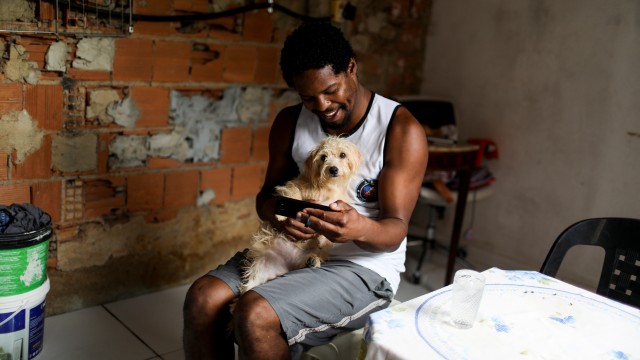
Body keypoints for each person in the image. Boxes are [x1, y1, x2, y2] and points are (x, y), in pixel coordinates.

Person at [183, 21, 428, 360]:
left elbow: (395, 231)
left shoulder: (400, 129)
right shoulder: (289, 121)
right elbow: (265, 198)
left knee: (254, 314)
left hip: (363, 267)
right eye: (309, 97)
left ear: (351, 68)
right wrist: (280, 216)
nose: (323, 105)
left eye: (331, 90)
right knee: (202, 299)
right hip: (293, 250)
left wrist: (358, 227)